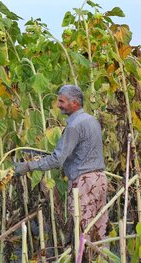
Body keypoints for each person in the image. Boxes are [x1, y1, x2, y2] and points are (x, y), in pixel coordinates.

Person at [14, 84, 108, 244]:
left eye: (62, 101)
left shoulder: (73, 126)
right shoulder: (92, 121)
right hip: (100, 179)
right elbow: (82, 152)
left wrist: (28, 166)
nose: (59, 105)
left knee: (82, 232)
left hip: (84, 184)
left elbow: (57, 160)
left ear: (75, 103)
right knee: (99, 230)